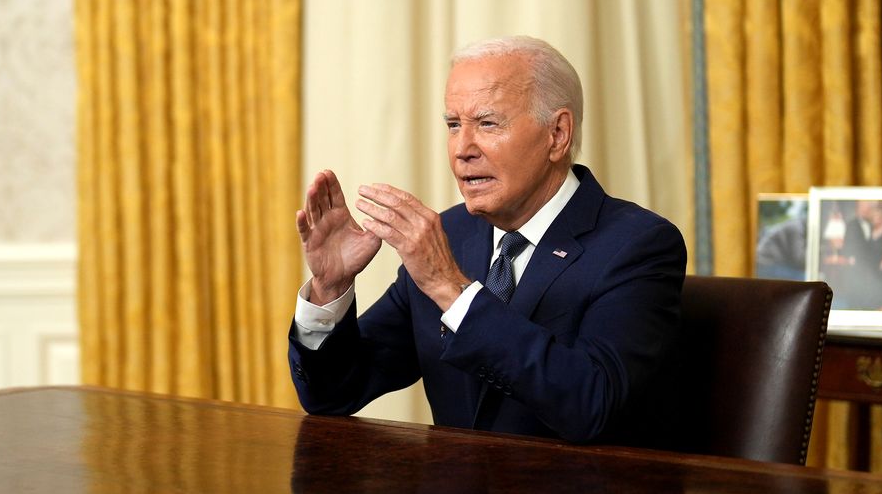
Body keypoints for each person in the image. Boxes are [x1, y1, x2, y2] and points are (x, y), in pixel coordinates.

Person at [288, 36, 686, 444]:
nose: (462, 149)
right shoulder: (450, 235)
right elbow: (332, 393)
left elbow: (592, 405)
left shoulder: (638, 245)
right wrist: (329, 290)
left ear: (558, 134)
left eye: (487, 123)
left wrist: (451, 289)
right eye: (454, 125)